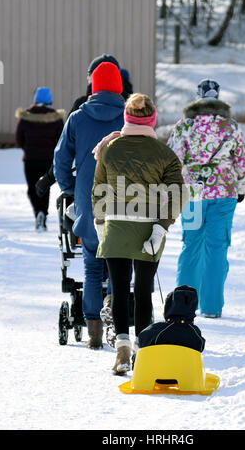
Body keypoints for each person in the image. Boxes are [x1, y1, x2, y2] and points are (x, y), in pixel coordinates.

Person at [92, 92, 187, 375]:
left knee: (119, 290)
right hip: (149, 227)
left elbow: (98, 188)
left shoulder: (109, 148)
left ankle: (122, 349)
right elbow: (179, 193)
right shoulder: (165, 154)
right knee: (144, 291)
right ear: (152, 120)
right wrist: (161, 227)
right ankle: (143, 353)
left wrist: (101, 224)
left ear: (126, 118)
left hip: (116, 226)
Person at [54, 62, 125, 349]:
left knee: (92, 265)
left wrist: (71, 189)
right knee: (120, 260)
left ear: (93, 86)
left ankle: (94, 330)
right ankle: (114, 305)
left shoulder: (78, 118)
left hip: (89, 197)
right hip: (124, 198)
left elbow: (60, 160)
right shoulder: (129, 117)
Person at [168, 79, 245, 318]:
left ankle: (183, 306)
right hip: (224, 193)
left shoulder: (184, 126)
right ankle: (212, 307)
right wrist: (241, 187)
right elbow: (242, 163)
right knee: (217, 248)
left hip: (193, 193)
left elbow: (173, 160)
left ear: (197, 98)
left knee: (191, 245)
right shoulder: (231, 127)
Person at [35, 54, 121, 198]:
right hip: (123, 194)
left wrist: (59, 182)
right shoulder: (131, 110)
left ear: (94, 77)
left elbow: (64, 152)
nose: (87, 78)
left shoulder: (80, 111)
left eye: (89, 74)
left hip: (85, 190)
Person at [15, 87, 65, 231]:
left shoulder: (26, 116)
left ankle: (38, 212)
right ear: (50, 101)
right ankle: (43, 212)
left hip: (30, 159)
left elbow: (19, 138)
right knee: (44, 187)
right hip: (48, 159)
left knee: (32, 188)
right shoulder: (55, 117)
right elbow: (61, 139)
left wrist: (27, 149)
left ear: (35, 100)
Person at [136, 285, 205, 352]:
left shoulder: (158, 329)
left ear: (167, 308)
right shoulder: (194, 332)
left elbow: (141, 339)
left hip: (159, 362)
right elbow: (200, 347)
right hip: (184, 363)